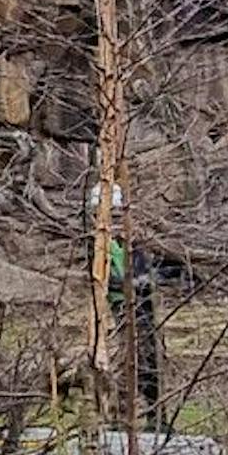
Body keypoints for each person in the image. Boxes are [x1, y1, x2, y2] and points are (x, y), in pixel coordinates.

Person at [86, 181, 164, 429]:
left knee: (149, 360)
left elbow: (147, 274)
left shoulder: (133, 242)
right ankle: (118, 417)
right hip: (117, 308)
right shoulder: (99, 244)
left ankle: (154, 415)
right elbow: (103, 279)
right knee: (122, 361)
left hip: (142, 306)